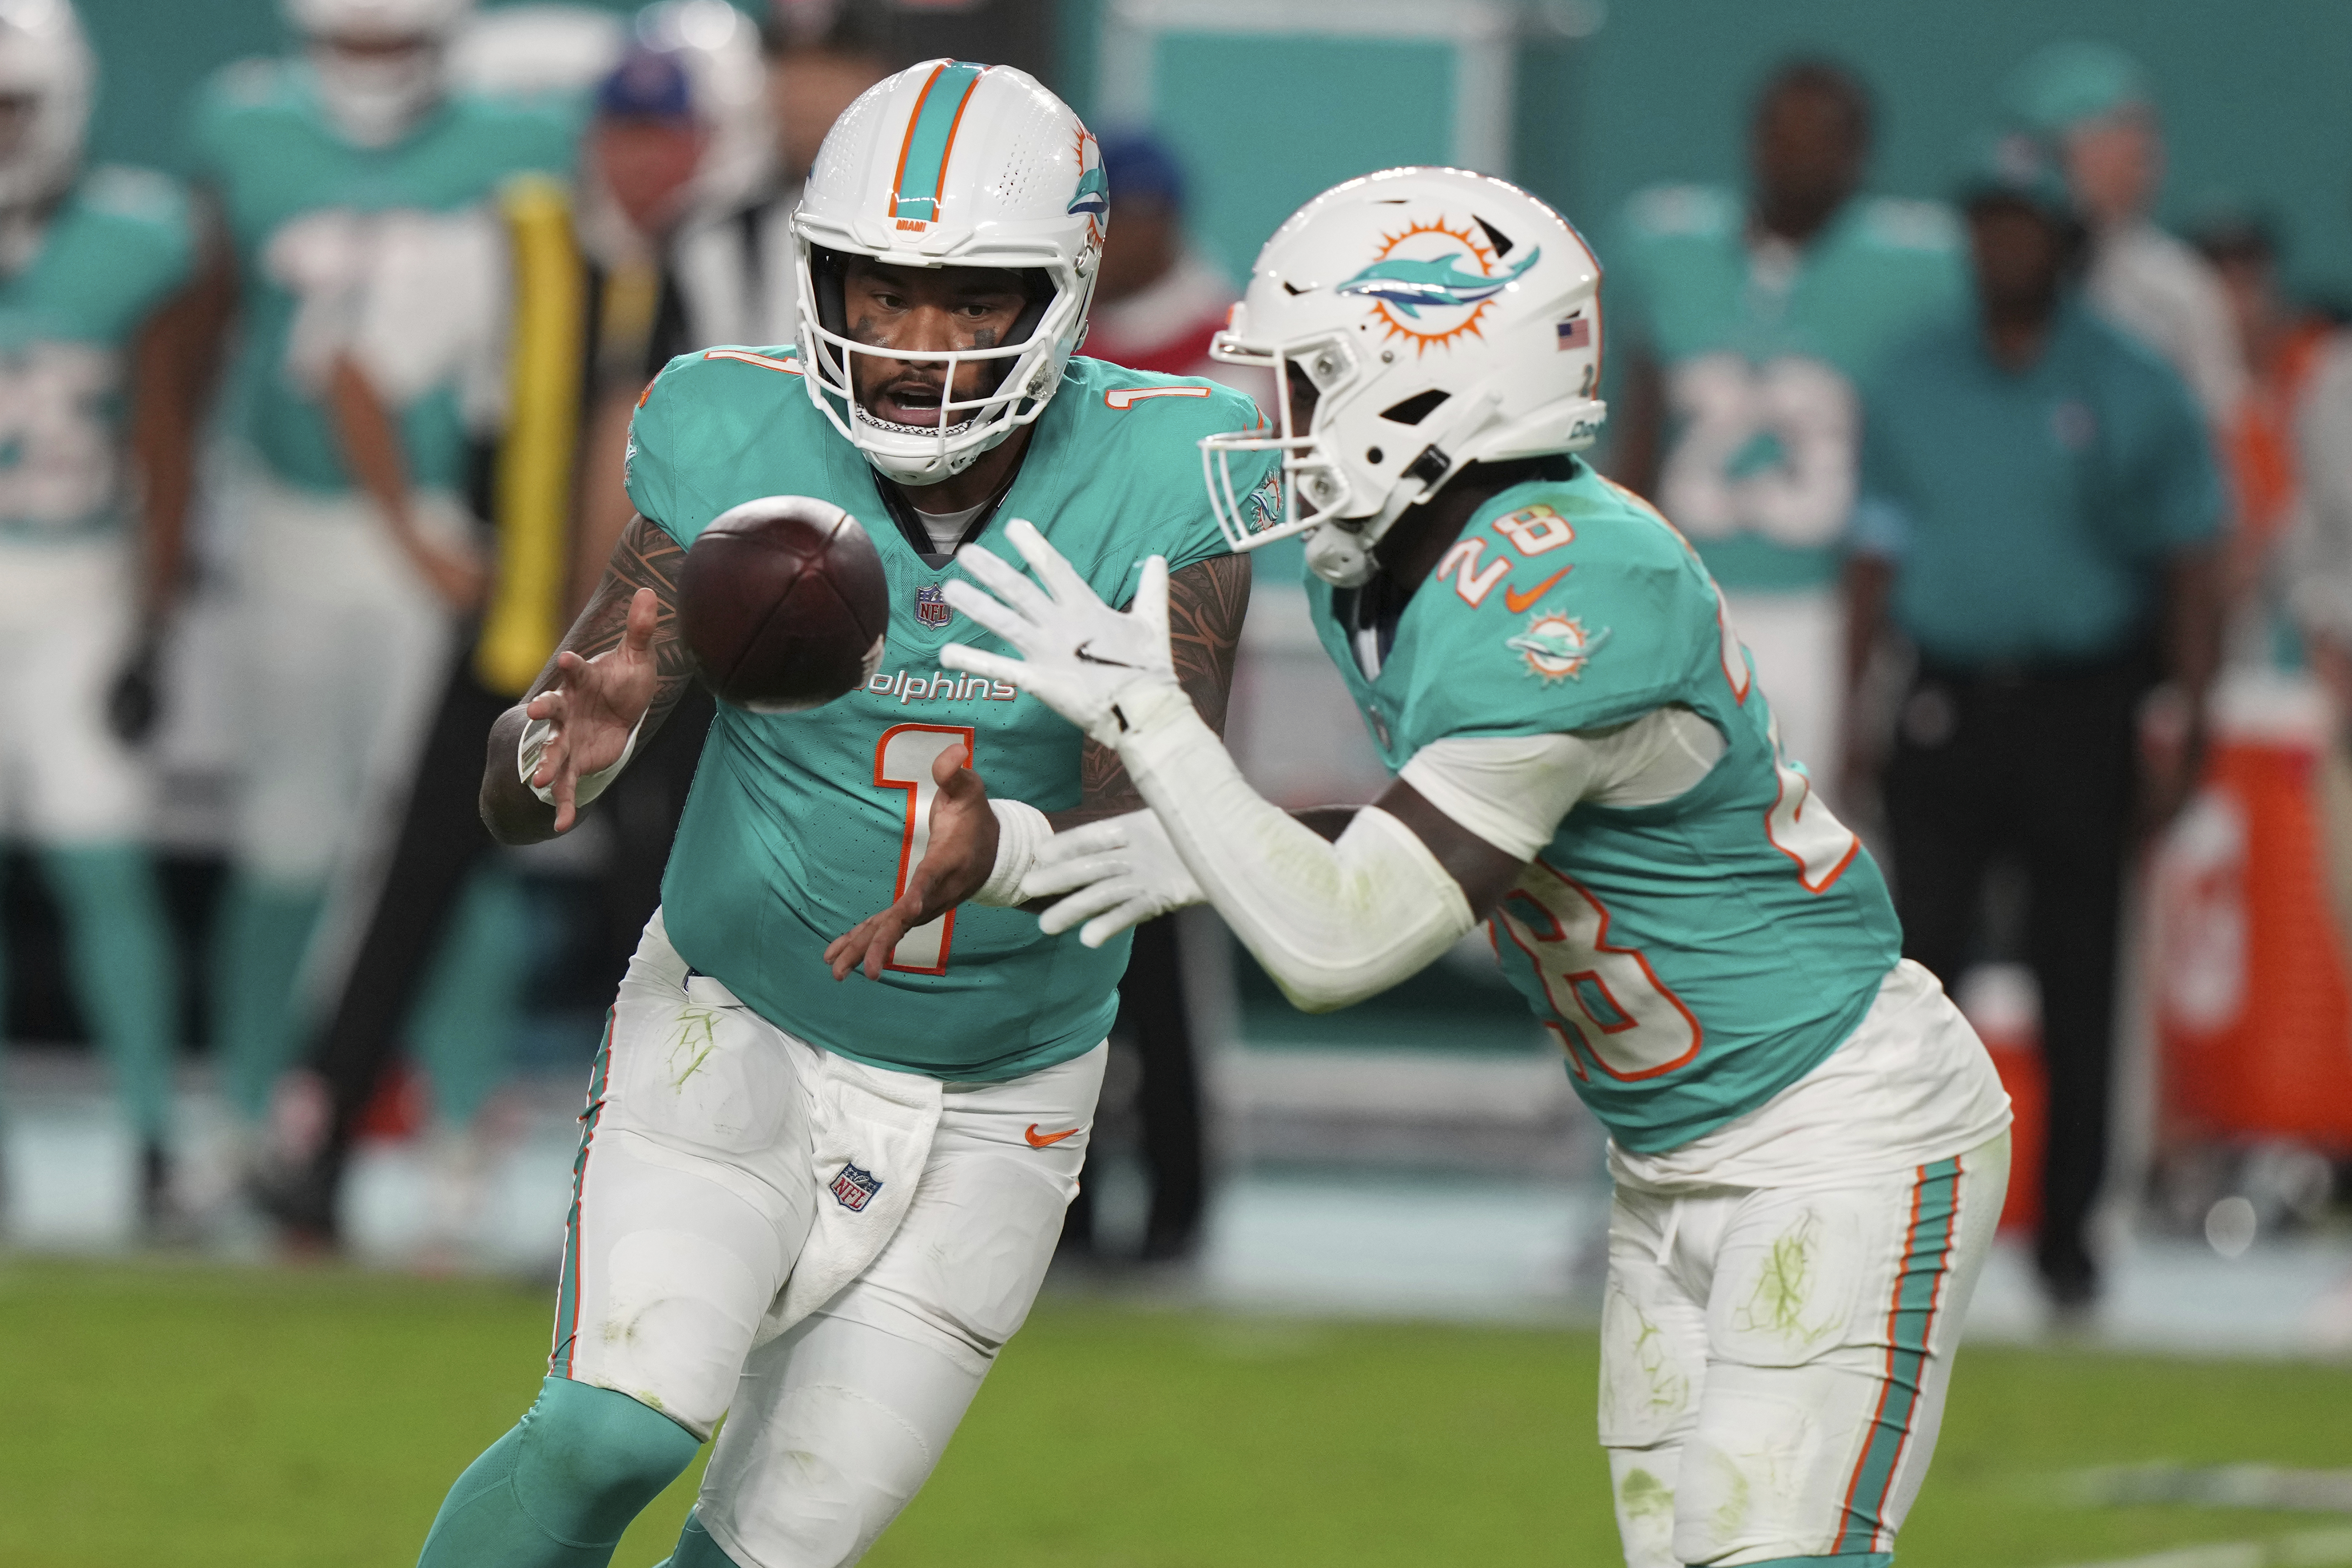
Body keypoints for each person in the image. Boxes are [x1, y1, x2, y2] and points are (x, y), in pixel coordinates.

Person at [936, 165, 2012, 1568]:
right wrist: (1175, 844)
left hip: (1836, 1129)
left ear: (1427, 381)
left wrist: (1154, 726)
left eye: (1306, 383)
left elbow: (1343, 945)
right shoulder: (1380, 573)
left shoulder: (1577, 579)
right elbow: (1439, 845)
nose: (1272, 424)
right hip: (1669, 1148)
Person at [412, 60, 1271, 1568]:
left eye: (970, 300)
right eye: (880, 294)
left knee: (775, 1543)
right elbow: (580, 712)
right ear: (823, 284)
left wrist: (998, 854)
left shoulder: (1171, 469)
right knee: (617, 1421)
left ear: (1061, 296)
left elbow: (1170, 824)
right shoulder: (733, 430)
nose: (915, 346)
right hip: (737, 1022)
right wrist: (550, 752)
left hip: (1006, 1096)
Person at [185, 0, 574, 1155]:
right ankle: (252, 1111)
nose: (372, 63)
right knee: (286, 837)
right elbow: (209, 319)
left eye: (395, 41)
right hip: (289, 514)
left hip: (447, 527)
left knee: (446, 841)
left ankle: (461, 1116)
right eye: (353, 41)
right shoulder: (242, 124)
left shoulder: (525, 142)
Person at [1841, 139, 2221, 1310]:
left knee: (2078, 971)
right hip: (1944, 691)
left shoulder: (2128, 381)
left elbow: (2190, 559)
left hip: (2078, 700)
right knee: (1917, 972)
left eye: (2023, 226)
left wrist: (2189, 714)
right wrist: (1861, 700)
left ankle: (2067, 1234)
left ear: (2064, 242)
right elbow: (1872, 550)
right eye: (1986, 225)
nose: (2000, 247)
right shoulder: (1910, 376)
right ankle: (1895, 1217)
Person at [1607, 59, 1965, 791]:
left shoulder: (1919, 265)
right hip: (1690, 593)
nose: (1798, 155)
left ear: (1860, 152)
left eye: (1821, 138)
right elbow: (1640, 430)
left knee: (1813, 826)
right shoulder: (1668, 244)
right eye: (1782, 134)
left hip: (1825, 604)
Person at [0, 0, 202, 1232]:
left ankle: (150, 1141)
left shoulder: (145, 237)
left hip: (78, 581)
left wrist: (154, 619)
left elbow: (171, 430)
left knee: (102, 864)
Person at [2004, 41, 2246, 431]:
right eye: (2129, 133)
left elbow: (2222, 426)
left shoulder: (2176, 286)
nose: (2149, 157)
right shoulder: (1986, 274)